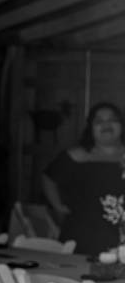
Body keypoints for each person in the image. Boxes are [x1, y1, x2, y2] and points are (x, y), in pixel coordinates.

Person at [42, 102, 125, 255]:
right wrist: (58, 206)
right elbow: (48, 178)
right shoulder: (76, 156)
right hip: (83, 237)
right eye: (99, 121)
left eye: (112, 120)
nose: (106, 125)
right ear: (91, 128)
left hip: (120, 238)